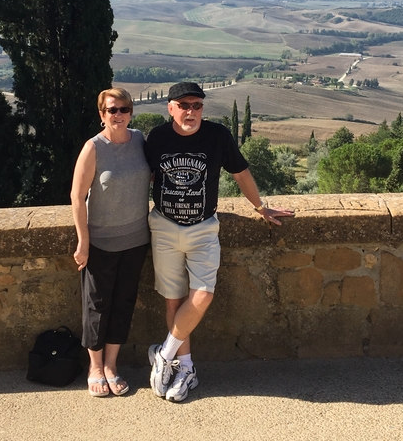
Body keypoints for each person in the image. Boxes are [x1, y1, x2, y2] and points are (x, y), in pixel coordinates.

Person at [144, 82, 294, 402]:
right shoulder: (157, 137)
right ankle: (185, 369)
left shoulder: (217, 136)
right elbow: (145, 177)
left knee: (202, 296)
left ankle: (164, 353)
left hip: (202, 228)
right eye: (183, 105)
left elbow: (240, 173)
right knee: (174, 299)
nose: (191, 112)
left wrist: (260, 207)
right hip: (165, 228)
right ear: (170, 108)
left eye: (197, 105)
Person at [71, 87, 150, 397]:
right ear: (101, 115)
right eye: (112, 110)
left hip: (136, 240)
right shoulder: (93, 148)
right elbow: (77, 197)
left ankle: (112, 365)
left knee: (123, 303)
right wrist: (83, 241)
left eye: (124, 109)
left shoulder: (140, 140)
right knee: (96, 306)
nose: (118, 115)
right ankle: (94, 366)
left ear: (131, 112)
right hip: (101, 241)